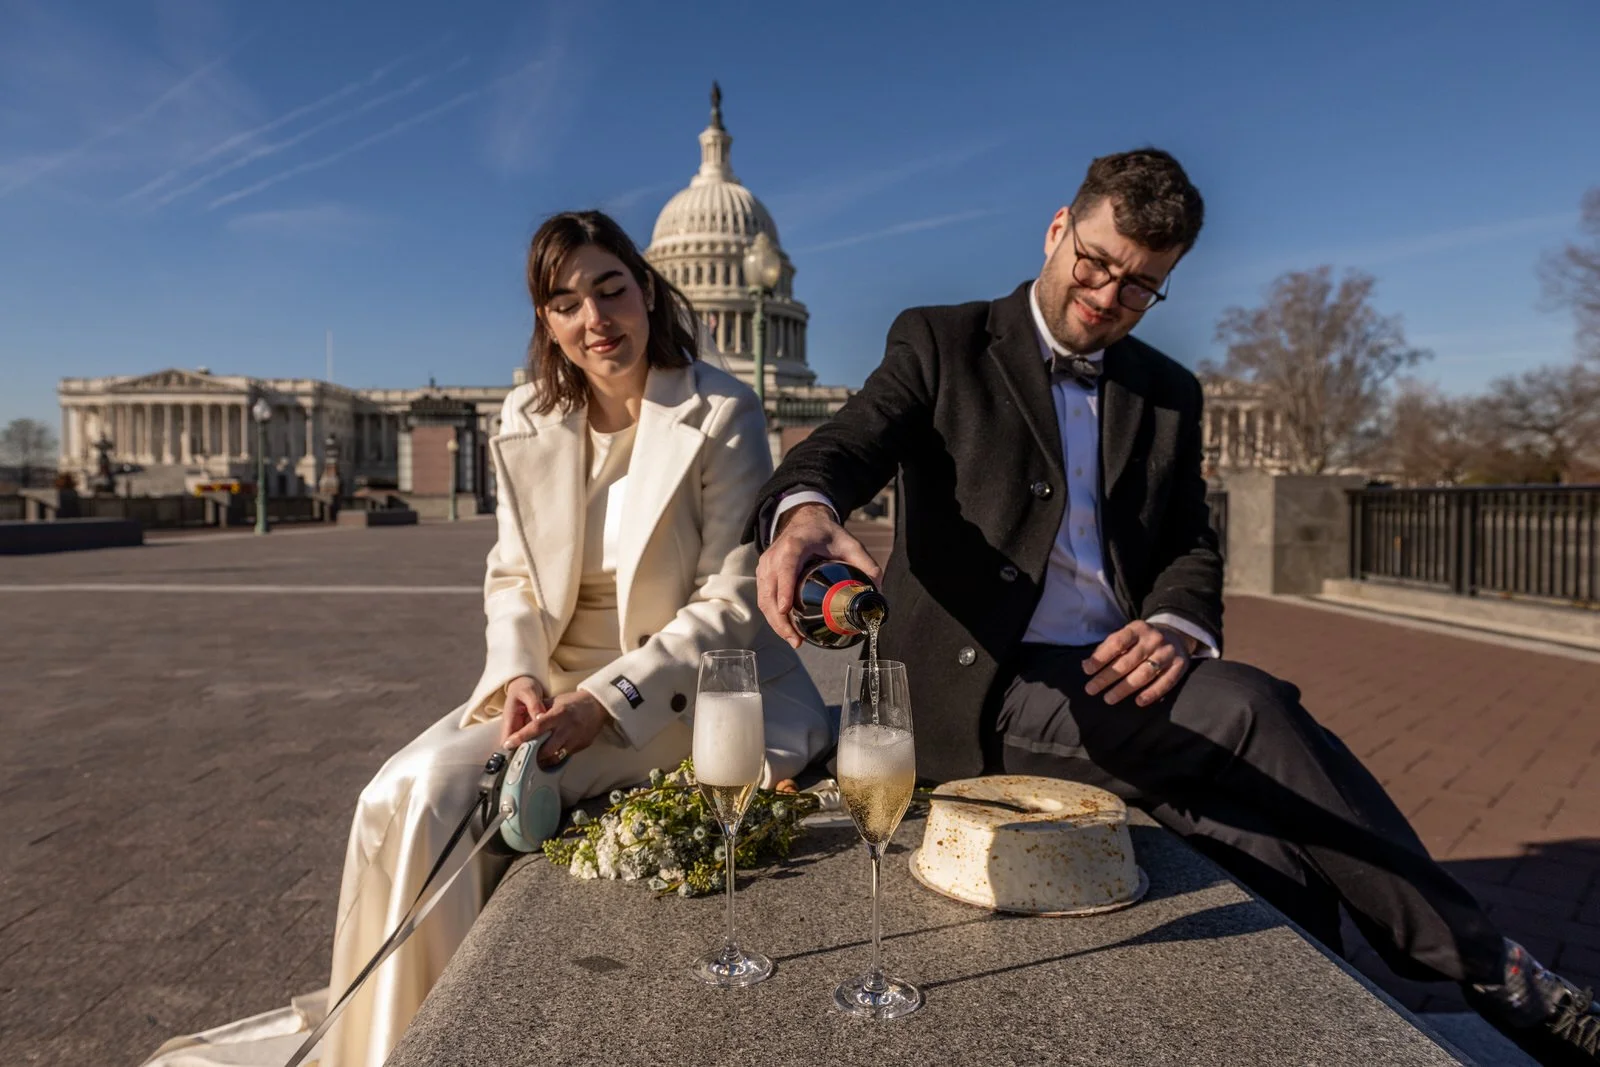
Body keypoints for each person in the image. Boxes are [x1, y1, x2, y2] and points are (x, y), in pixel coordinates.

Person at [749, 149, 1599, 1065]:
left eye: (1142, 284)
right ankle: (1489, 967)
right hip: (982, 689)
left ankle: (1323, 1030)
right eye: (1097, 262)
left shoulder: (1167, 391)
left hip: (1123, 674)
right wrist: (802, 509)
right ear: (1056, 231)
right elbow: (851, 438)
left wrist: (1176, 625)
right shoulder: (940, 341)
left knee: (1263, 846)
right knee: (1250, 707)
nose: (1110, 294)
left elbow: (1191, 543)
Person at [307, 210, 833, 1067]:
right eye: (564, 302)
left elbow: (730, 598)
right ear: (545, 322)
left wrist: (605, 698)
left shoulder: (723, 408)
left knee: (450, 796)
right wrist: (516, 674)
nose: (594, 319)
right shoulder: (525, 417)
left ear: (647, 287)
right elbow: (512, 574)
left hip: (680, 687)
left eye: (609, 289)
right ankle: (382, 1038)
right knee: (387, 793)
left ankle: (426, 1048)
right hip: (552, 683)